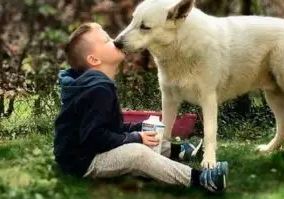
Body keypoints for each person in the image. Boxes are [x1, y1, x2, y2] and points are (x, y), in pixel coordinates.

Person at [53, 22, 228, 193]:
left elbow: (111, 127)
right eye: (107, 40)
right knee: (137, 154)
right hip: (83, 161)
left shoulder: (96, 84)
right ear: (94, 59)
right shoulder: (98, 89)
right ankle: (203, 179)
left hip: (87, 151)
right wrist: (135, 137)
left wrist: (140, 128)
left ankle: (180, 151)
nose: (115, 41)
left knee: (148, 134)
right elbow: (95, 138)